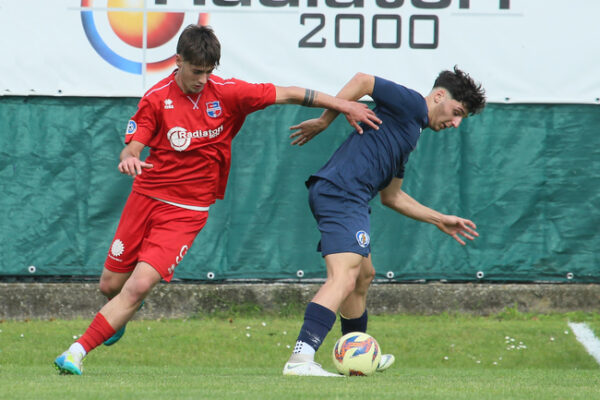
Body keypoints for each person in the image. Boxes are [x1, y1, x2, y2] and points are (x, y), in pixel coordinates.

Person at [53, 24, 381, 375]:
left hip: (187, 211)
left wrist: (342, 104)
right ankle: (121, 313)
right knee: (111, 286)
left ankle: (75, 352)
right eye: (196, 71)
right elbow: (132, 145)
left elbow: (288, 93)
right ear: (178, 61)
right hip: (145, 197)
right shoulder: (156, 98)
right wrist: (129, 157)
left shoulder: (227, 93)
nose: (202, 79)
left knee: (138, 284)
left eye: (209, 72)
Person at [282, 67, 486, 376]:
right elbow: (364, 81)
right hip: (341, 192)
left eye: (462, 119)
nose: (456, 123)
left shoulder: (410, 131)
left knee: (363, 276)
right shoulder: (412, 104)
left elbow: (393, 196)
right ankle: (301, 358)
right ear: (439, 96)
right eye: (457, 112)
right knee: (345, 277)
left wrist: (439, 219)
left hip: (351, 197)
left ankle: (358, 354)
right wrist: (325, 121)